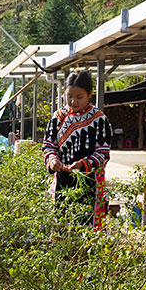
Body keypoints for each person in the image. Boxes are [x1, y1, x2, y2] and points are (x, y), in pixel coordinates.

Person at [42, 70, 113, 229]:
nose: (73, 101)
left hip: (89, 181)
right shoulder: (58, 117)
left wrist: (82, 164)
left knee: (87, 224)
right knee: (62, 221)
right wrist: (52, 159)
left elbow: (103, 153)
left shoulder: (99, 120)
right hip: (62, 180)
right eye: (69, 96)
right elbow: (48, 144)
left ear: (90, 94)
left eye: (79, 97)